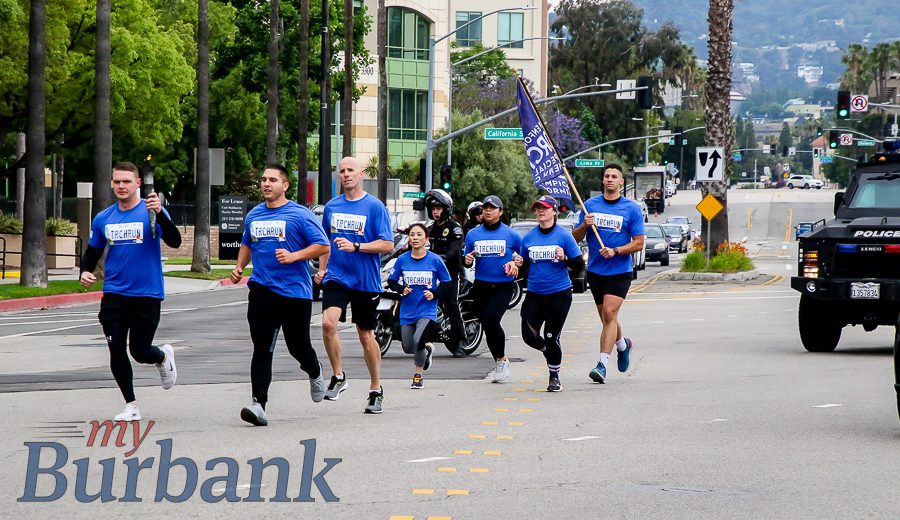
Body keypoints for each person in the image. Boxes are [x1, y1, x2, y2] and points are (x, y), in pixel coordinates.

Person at [79, 161, 182, 421]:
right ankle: (131, 405)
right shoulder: (104, 218)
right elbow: (93, 249)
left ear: (138, 183)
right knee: (116, 349)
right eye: (117, 182)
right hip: (114, 294)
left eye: (126, 181)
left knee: (139, 350)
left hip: (147, 294)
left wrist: (160, 213)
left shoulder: (151, 212)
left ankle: (161, 356)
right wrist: (85, 270)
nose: (121, 186)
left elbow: (175, 240)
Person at [230, 164, 331, 426]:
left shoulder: (299, 215)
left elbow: (322, 245)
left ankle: (315, 369)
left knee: (298, 346)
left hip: (295, 293)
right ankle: (258, 404)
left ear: (284, 185)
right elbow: (247, 243)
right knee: (262, 347)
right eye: (263, 179)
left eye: (272, 180)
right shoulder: (254, 215)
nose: (266, 184)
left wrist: (294, 256)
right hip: (262, 289)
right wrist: (240, 266)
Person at [315, 156, 394, 414]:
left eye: (351, 170)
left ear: (361, 175)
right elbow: (325, 242)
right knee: (328, 323)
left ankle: (375, 389)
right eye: (342, 171)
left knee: (365, 335)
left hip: (365, 280)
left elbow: (387, 244)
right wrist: (323, 268)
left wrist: (357, 246)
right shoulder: (332, 207)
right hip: (337, 277)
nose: (346, 174)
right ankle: (339, 376)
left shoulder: (374, 207)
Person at [573, 164, 645, 384]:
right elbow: (574, 238)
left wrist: (616, 250)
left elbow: (639, 243)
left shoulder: (631, 209)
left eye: (615, 176)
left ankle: (602, 365)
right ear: (603, 181)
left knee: (610, 314)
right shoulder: (590, 206)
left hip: (620, 271)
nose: (610, 179)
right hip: (595, 271)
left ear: (622, 182)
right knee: (607, 317)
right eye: (607, 176)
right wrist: (584, 225)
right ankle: (623, 345)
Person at [519, 196, 584, 392]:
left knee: (550, 335)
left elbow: (580, 266)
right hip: (535, 293)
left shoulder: (564, 236)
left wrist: (564, 257)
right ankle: (548, 351)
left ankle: (554, 376)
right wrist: (515, 265)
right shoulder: (529, 238)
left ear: (554, 211)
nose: (540, 211)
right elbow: (523, 268)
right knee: (528, 335)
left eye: (545, 208)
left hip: (559, 294)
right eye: (538, 208)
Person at [463, 195, 522, 383]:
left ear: (500, 212)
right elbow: (466, 257)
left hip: (503, 285)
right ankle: (499, 359)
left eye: (492, 208)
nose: (488, 211)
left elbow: (522, 258)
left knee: (492, 319)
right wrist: (467, 260)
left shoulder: (511, 235)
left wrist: (516, 263)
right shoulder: (473, 234)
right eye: (485, 208)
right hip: (481, 285)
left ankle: (501, 361)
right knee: (486, 324)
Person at [386, 223, 452, 389]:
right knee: (408, 347)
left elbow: (447, 283)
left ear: (426, 239)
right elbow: (392, 281)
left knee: (418, 340)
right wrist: (402, 289)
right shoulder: (402, 260)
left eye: (419, 235)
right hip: (407, 310)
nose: (415, 238)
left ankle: (418, 375)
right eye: (412, 235)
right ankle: (428, 349)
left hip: (426, 310)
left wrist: (434, 293)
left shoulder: (435, 260)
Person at [423, 189, 468, 358]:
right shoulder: (431, 228)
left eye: (439, 208)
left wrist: (437, 258)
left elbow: (454, 251)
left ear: (446, 209)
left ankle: (462, 340)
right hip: (431, 274)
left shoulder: (454, 228)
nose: (435, 211)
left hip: (449, 274)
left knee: (450, 305)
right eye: (433, 208)